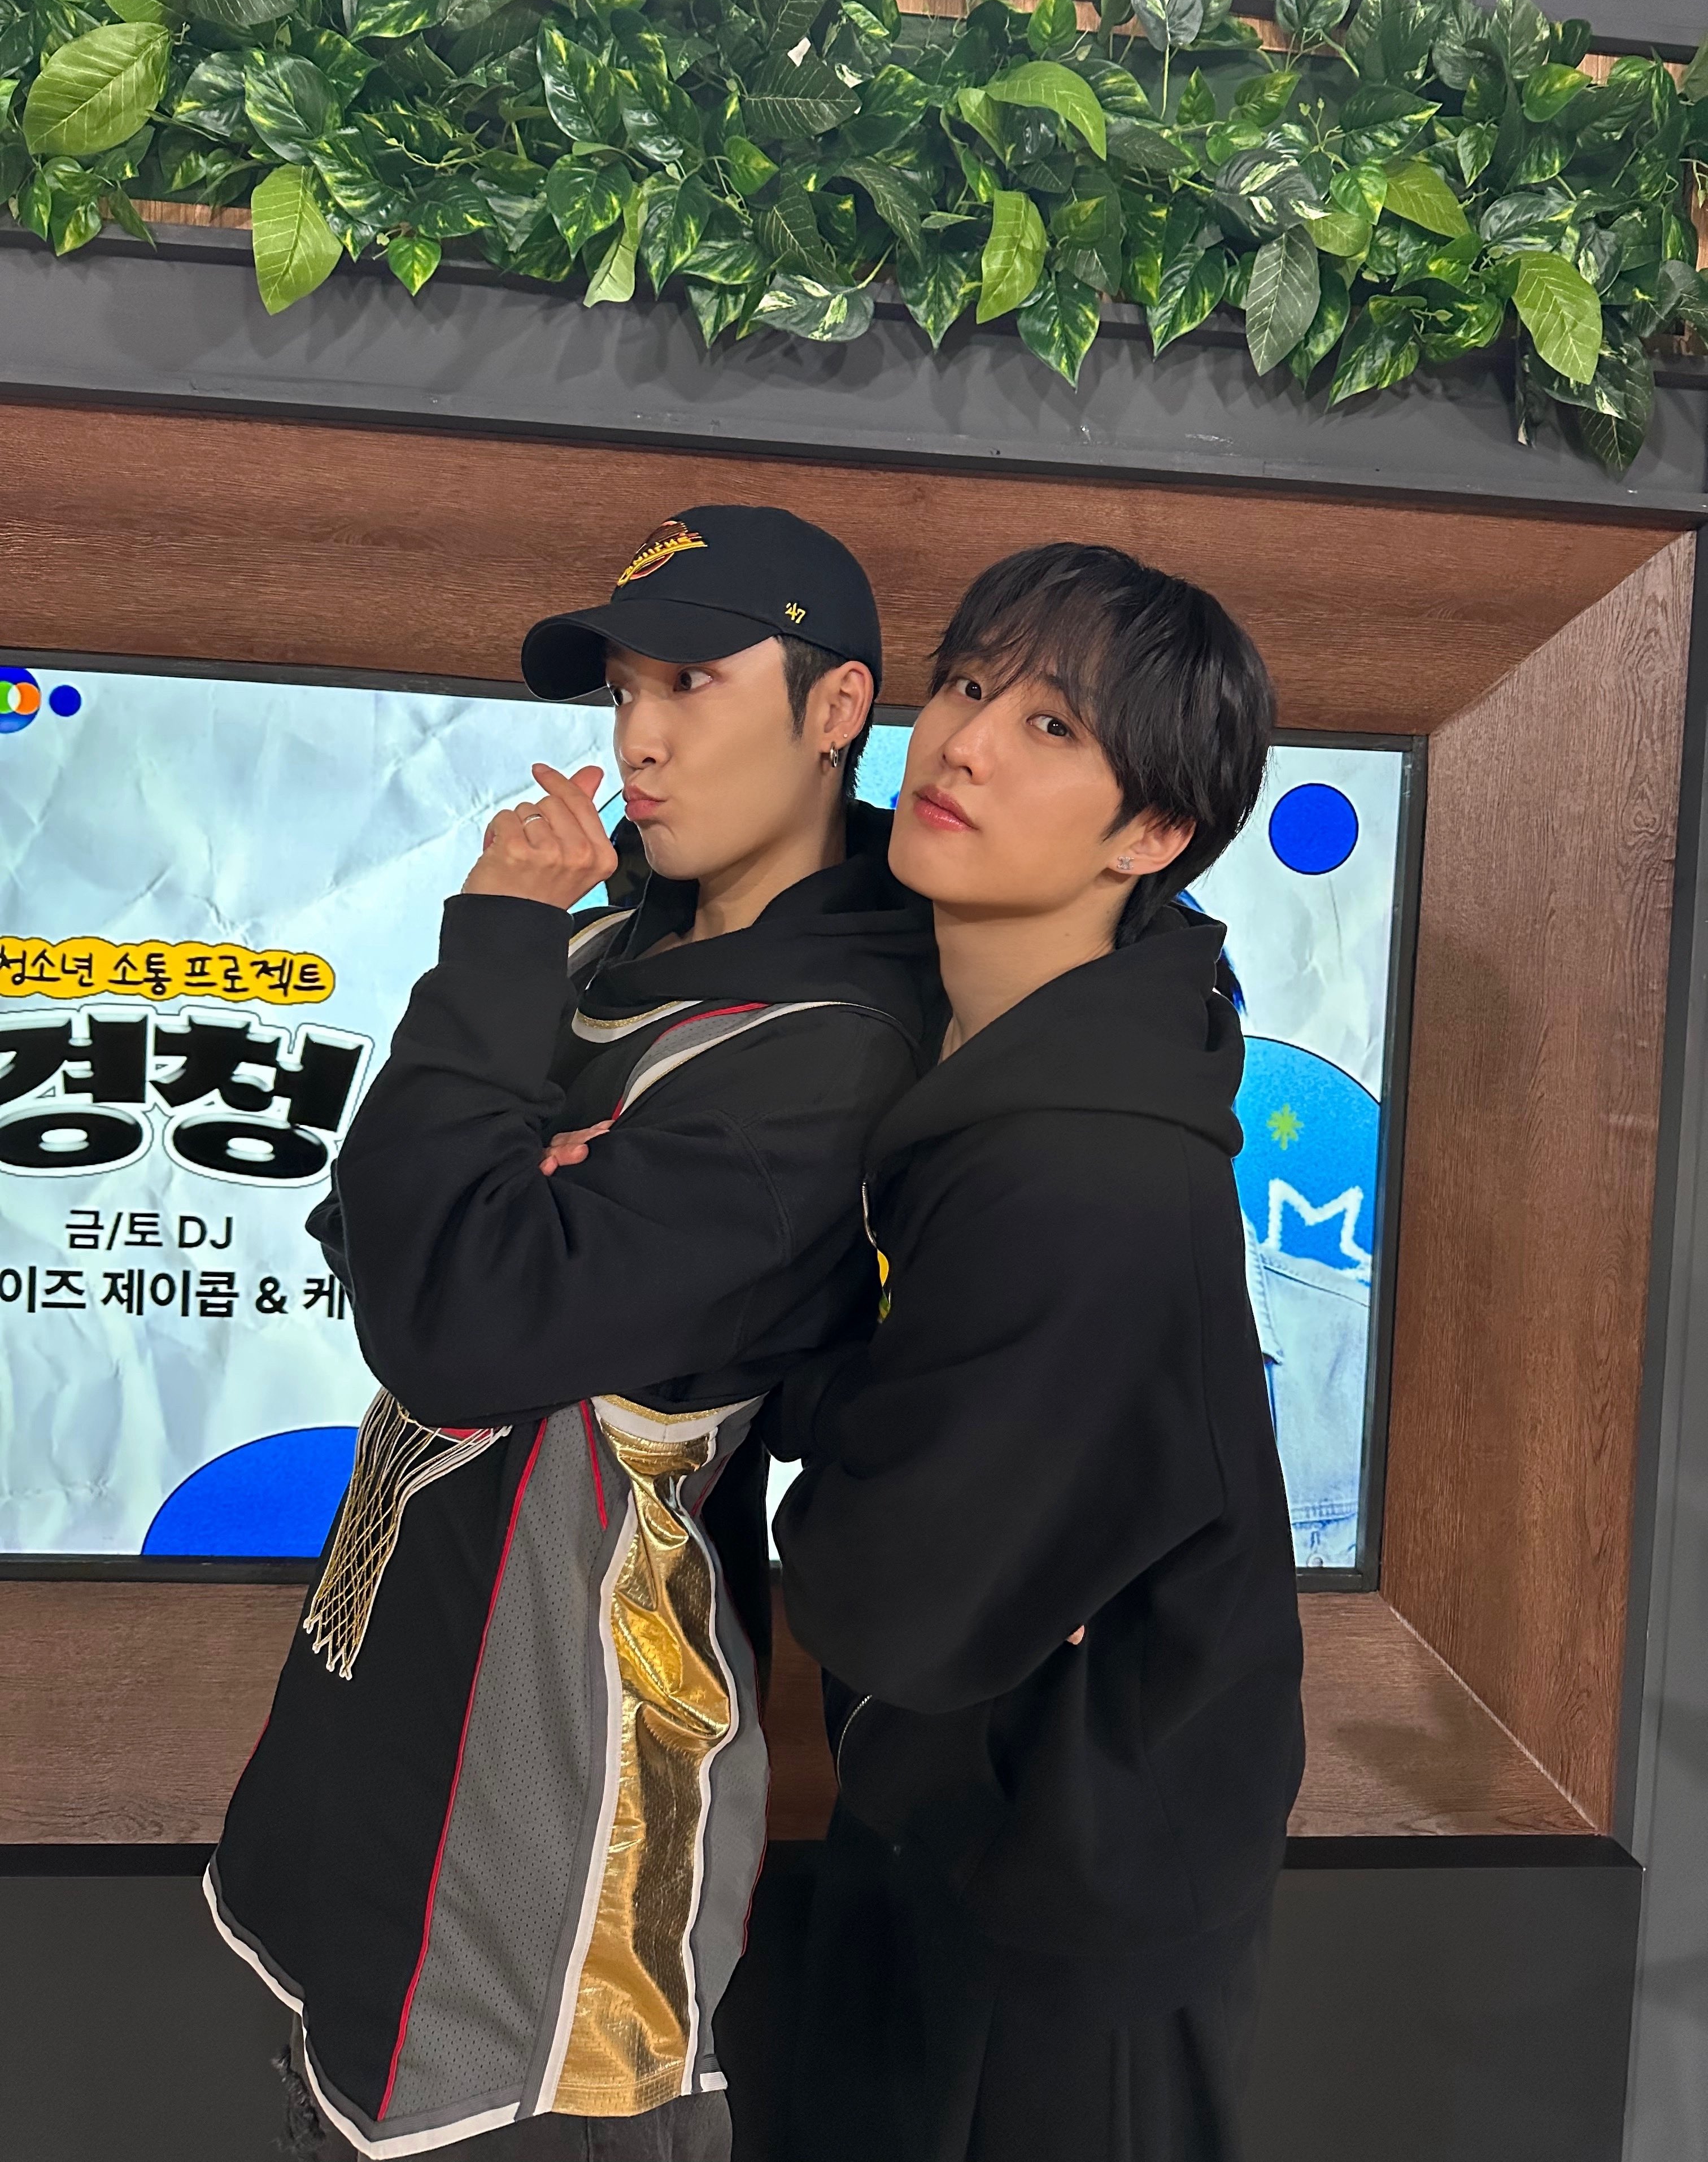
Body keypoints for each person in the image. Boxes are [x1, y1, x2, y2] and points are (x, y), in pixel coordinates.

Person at [204, 507, 939, 2161]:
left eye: (693, 681)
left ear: (837, 709)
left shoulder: (835, 1044)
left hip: (552, 1766)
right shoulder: (612, 936)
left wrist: (493, 996)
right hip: (393, 1695)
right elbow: (370, 1227)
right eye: (623, 691)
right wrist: (481, 1182)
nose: (639, 740)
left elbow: (452, 1322)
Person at [770, 543, 1306, 2162]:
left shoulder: (1087, 1170)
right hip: (972, 1832)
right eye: (970, 684)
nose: (968, 743)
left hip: (1068, 1919)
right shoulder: (991, 1038)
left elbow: (893, 1596)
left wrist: (804, 1413)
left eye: (1054, 727)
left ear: (1153, 835)